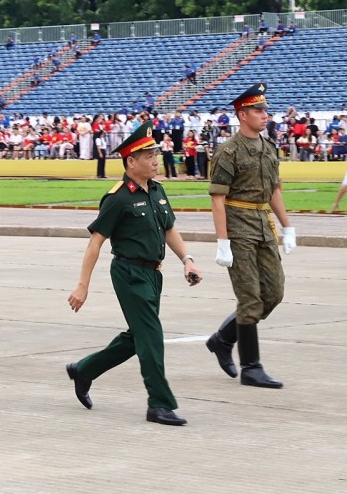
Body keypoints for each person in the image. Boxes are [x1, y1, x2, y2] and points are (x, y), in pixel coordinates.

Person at [65, 123, 201, 426]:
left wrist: (187, 260)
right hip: (129, 272)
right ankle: (159, 404)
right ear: (131, 162)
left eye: (155, 154)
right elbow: (95, 243)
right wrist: (82, 285)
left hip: (154, 274)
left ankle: (84, 370)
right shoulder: (117, 198)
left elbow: (169, 230)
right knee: (151, 335)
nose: (155, 160)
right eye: (148, 155)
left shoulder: (157, 190)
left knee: (138, 335)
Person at [206, 83, 295, 389]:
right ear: (242, 115)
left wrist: (287, 226)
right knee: (249, 297)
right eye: (258, 110)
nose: (264, 115)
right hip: (238, 227)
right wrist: (222, 241)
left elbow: (274, 190)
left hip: (263, 224)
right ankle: (251, 367)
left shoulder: (268, 147)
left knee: (274, 293)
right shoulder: (228, 151)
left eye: (265, 110)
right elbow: (218, 198)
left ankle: (222, 339)